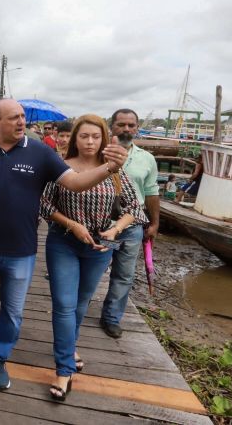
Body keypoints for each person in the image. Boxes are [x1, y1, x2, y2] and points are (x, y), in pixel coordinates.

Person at [0, 99, 128, 391]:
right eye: (13, 118)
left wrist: (110, 168)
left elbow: (75, 183)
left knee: (13, 312)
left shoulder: (41, 152)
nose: (21, 122)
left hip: (22, 250)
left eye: (22, 116)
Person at [40, 114, 148, 401]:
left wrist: (116, 229)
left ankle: (69, 346)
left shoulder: (113, 169)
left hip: (100, 247)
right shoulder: (62, 167)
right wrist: (72, 224)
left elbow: (134, 209)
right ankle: (64, 369)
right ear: (75, 138)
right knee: (64, 305)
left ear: (104, 139)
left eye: (95, 137)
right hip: (64, 242)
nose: (90, 142)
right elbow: (45, 204)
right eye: (84, 136)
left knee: (80, 303)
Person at [100, 109, 160, 339]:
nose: (126, 129)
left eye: (131, 125)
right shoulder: (100, 152)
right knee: (93, 270)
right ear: (111, 126)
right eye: (121, 124)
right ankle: (75, 310)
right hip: (102, 226)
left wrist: (154, 223)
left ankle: (111, 318)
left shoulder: (147, 159)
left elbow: (151, 192)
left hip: (132, 227)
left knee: (124, 275)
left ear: (137, 128)